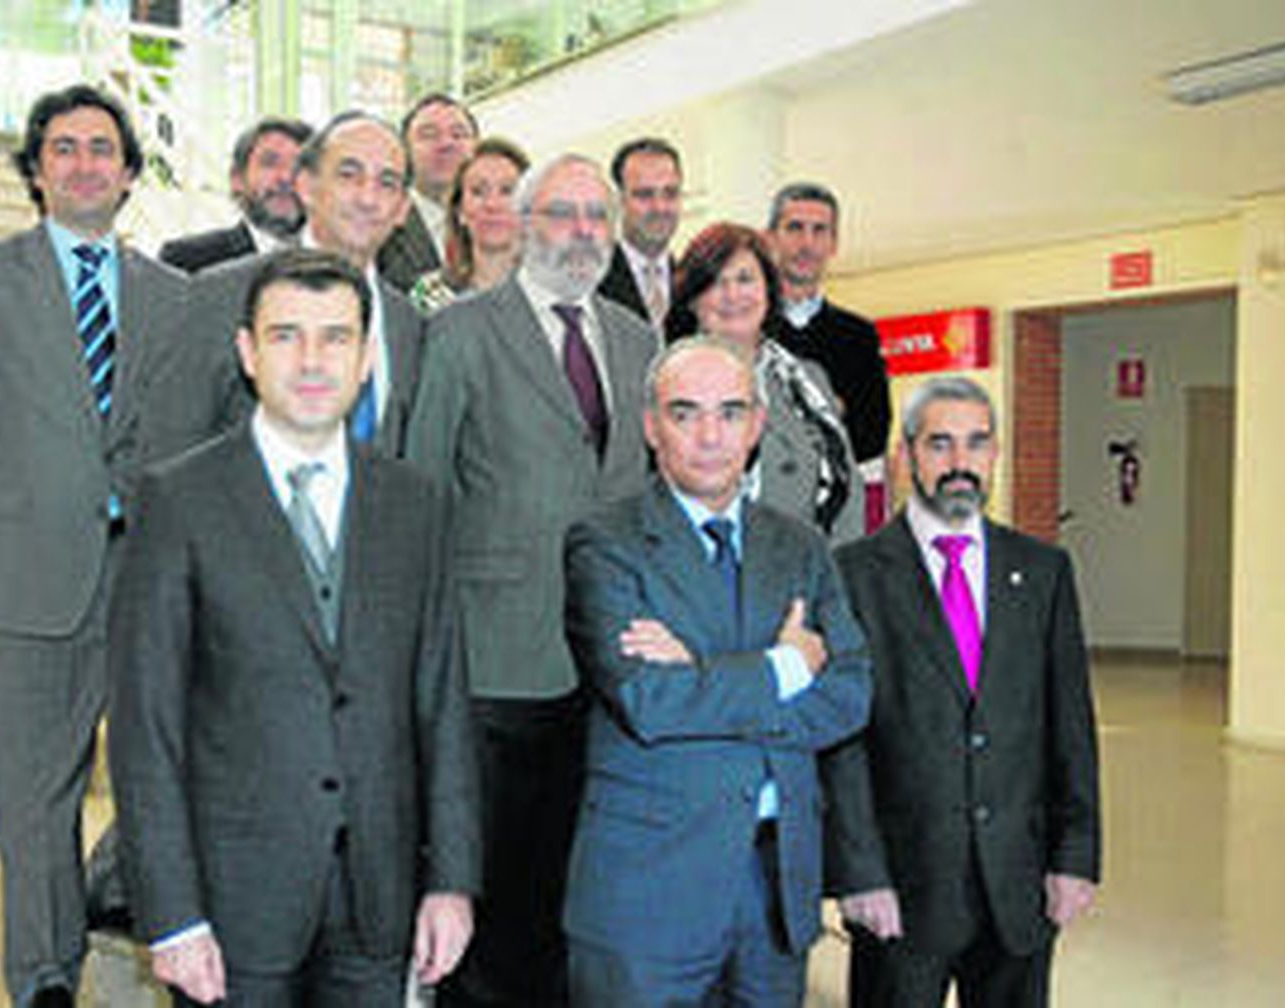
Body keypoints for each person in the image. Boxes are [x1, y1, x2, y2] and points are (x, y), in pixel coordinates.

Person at [108, 249, 479, 1007]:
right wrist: (172, 914)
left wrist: (452, 879)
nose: (312, 360)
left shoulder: (418, 504)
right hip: (232, 905)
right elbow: (146, 726)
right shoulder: (179, 500)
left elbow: (442, 703)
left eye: (336, 337)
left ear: (367, 355)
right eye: (286, 336)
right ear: (247, 351)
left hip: (380, 896)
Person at [0, 84, 188, 1008]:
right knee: (36, 799)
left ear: (131, 172)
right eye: (63, 148)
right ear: (35, 171)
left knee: (160, 785)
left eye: (103, 148)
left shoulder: (170, 295)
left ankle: (161, 948)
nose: (85, 163)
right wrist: (8, 511)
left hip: (148, 578)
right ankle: (44, 975)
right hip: (32, 583)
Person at [406, 153, 657, 1007]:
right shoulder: (462, 332)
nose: (582, 232)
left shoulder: (635, 339)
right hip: (494, 666)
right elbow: (424, 494)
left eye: (597, 215)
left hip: (609, 667)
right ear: (520, 221)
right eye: (562, 213)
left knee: (575, 890)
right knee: (490, 896)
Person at [563, 336, 871, 1007]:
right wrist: (786, 665)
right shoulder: (604, 544)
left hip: (775, 889)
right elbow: (648, 701)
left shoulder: (802, 547)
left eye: (731, 413)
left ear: (757, 424)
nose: (710, 436)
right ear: (651, 425)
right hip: (649, 894)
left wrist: (700, 675)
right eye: (685, 413)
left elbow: (850, 692)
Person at [824, 376, 1102, 1008]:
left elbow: (1071, 725)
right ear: (905, 456)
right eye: (940, 444)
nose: (959, 464)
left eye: (976, 444)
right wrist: (859, 873)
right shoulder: (852, 576)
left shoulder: (1043, 571)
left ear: (995, 453)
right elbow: (843, 742)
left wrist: (1076, 856)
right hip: (901, 892)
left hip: (1019, 885)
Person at [149, 111, 421, 461]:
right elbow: (164, 452)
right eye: (349, 175)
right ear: (306, 187)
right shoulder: (220, 297)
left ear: (402, 209)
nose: (367, 198)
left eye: (387, 183)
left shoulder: (409, 325)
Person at [665, 222, 864, 544]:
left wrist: (835, 577)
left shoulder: (810, 382)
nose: (732, 295)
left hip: (809, 573)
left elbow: (848, 490)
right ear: (692, 301)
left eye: (745, 279)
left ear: (768, 291)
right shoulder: (667, 382)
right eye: (716, 282)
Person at [765, 182, 891, 527]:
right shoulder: (747, 327)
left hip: (834, 516)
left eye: (820, 231)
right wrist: (828, 410)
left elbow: (871, 433)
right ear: (771, 237)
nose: (807, 243)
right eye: (795, 228)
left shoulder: (859, 337)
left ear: (833, 244)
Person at [158, 116, 313, 273]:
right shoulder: (187, 260)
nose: (286, 177)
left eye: (299, 166)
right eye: (269, 163)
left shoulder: (334, 260)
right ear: (237, 178)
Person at [409, 137, 529, 314]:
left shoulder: (553, 288)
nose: (492, 204)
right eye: (478, 191)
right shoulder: (429, 295)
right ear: (460, 212)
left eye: (507, 191)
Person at [378, 92, 478, 292]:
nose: (446, 144)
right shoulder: (380, 229)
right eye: (429, 135)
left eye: (458, 134)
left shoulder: (504, 222)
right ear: (404, 152)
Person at [597, 137, 683, 338]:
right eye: (644, 195)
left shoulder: (694, 282)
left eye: (670, 193)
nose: (659, 207)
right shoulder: (592, 283)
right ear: (617, 201)